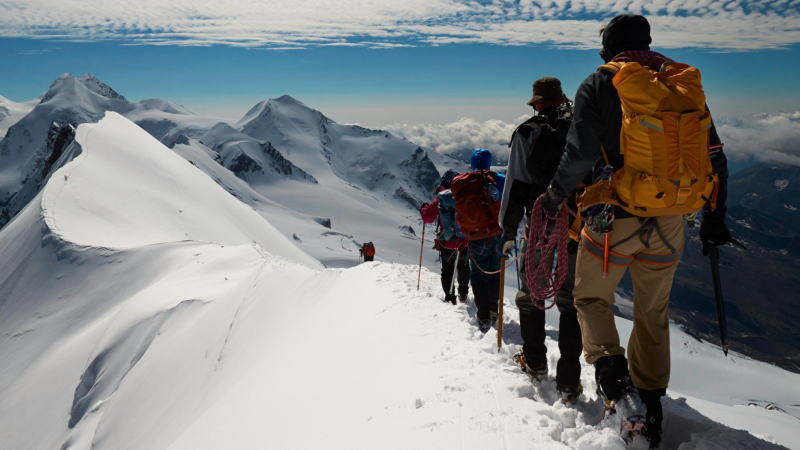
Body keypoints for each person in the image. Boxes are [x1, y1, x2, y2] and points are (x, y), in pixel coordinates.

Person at [539, 14, 735, 447]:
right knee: (653, 311)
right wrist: (714, 219)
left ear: (608, 47)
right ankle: (651, 399)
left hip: (613, 218)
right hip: (670, 219)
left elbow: (579, 152)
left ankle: (613, 378)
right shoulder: (680, 83)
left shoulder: (600, 82)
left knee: (592, 297)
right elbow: (714, 154)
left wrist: (554, 196)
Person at [499, 77, 583, 403]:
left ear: (536, 103)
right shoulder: (582, 126)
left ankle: (534, 362)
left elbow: (515, 185)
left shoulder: (526, 132)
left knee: (532, 293)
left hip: (541, 223)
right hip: (578, 225)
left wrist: (507, 230)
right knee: (571, 302)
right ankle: (569, 380)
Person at [452, 148, 505, 333]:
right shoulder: (499, 180)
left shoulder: (464, 183)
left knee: (478, 275)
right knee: (495, 273)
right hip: (497, 234)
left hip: (475, 237)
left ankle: (483, 315)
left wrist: (463, 233)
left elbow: (459, 211)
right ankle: (493, 309)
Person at [420, 171, 470, 304]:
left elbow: (428, 218)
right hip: (464, 240)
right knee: (464, 266)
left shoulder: (441, 198)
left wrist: (423, 208)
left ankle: (449, 297)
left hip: (447, 241)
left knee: (447, 270)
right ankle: (463, 293)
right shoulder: (466, 195)